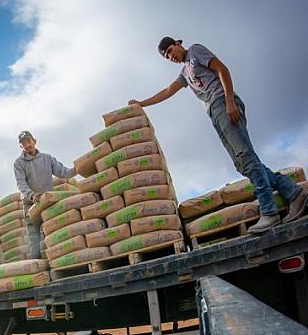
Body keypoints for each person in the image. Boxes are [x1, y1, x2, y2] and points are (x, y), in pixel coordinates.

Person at [130, 37, 307, 233]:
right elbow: (167, 90)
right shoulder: (184, 72)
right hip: (214, 112)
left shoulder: (195, 51)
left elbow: (222, 69)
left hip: (223, 102)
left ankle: (269, 212)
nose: (170, 56)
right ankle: (294, 192)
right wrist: (141, 103)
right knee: (242, 164)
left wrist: (229, 101)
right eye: (167, 56)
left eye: (171, 50)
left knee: (246, 158)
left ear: (179, 44)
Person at [13, 130, 76, 258]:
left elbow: (62, 172)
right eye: (24, 143)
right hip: (31, 202)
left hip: (48, 201)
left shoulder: (47, 158)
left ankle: (55, 260)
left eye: (29, 141)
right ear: (21, 146)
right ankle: (37, 265)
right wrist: (32, 195)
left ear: (34, 141)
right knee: (34, 236)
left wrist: (77, 169)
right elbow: (21, 184)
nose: (27, 145)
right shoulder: (19, 163)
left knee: (52, 231)